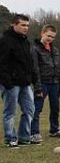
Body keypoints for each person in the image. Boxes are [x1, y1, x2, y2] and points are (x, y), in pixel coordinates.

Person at [0, 14, 38, 147]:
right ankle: (10, 138)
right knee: (10, 112)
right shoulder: (5, 41)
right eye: (22, 25)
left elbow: (29, 62)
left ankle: (24, 137)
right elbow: (2, 64)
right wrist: (7, 82)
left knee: (29, 110)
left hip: (26, 83)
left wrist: (33, 77)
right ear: (14, 25)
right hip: (11, 84)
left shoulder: (25, 42)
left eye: (27, 25)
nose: (25, 28)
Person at [31, 24, 60, 142]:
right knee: (37, 108)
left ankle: (54, 130)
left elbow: (58, 68)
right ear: (42, 34)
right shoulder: (35, 49)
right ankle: (34, 132)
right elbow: (35, 69)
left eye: (53, 37)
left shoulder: (55, 50)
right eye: (48, 36)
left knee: (55, 108)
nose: (50, 39)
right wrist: (38, 88)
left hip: (55, 83)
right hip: (43, 83)